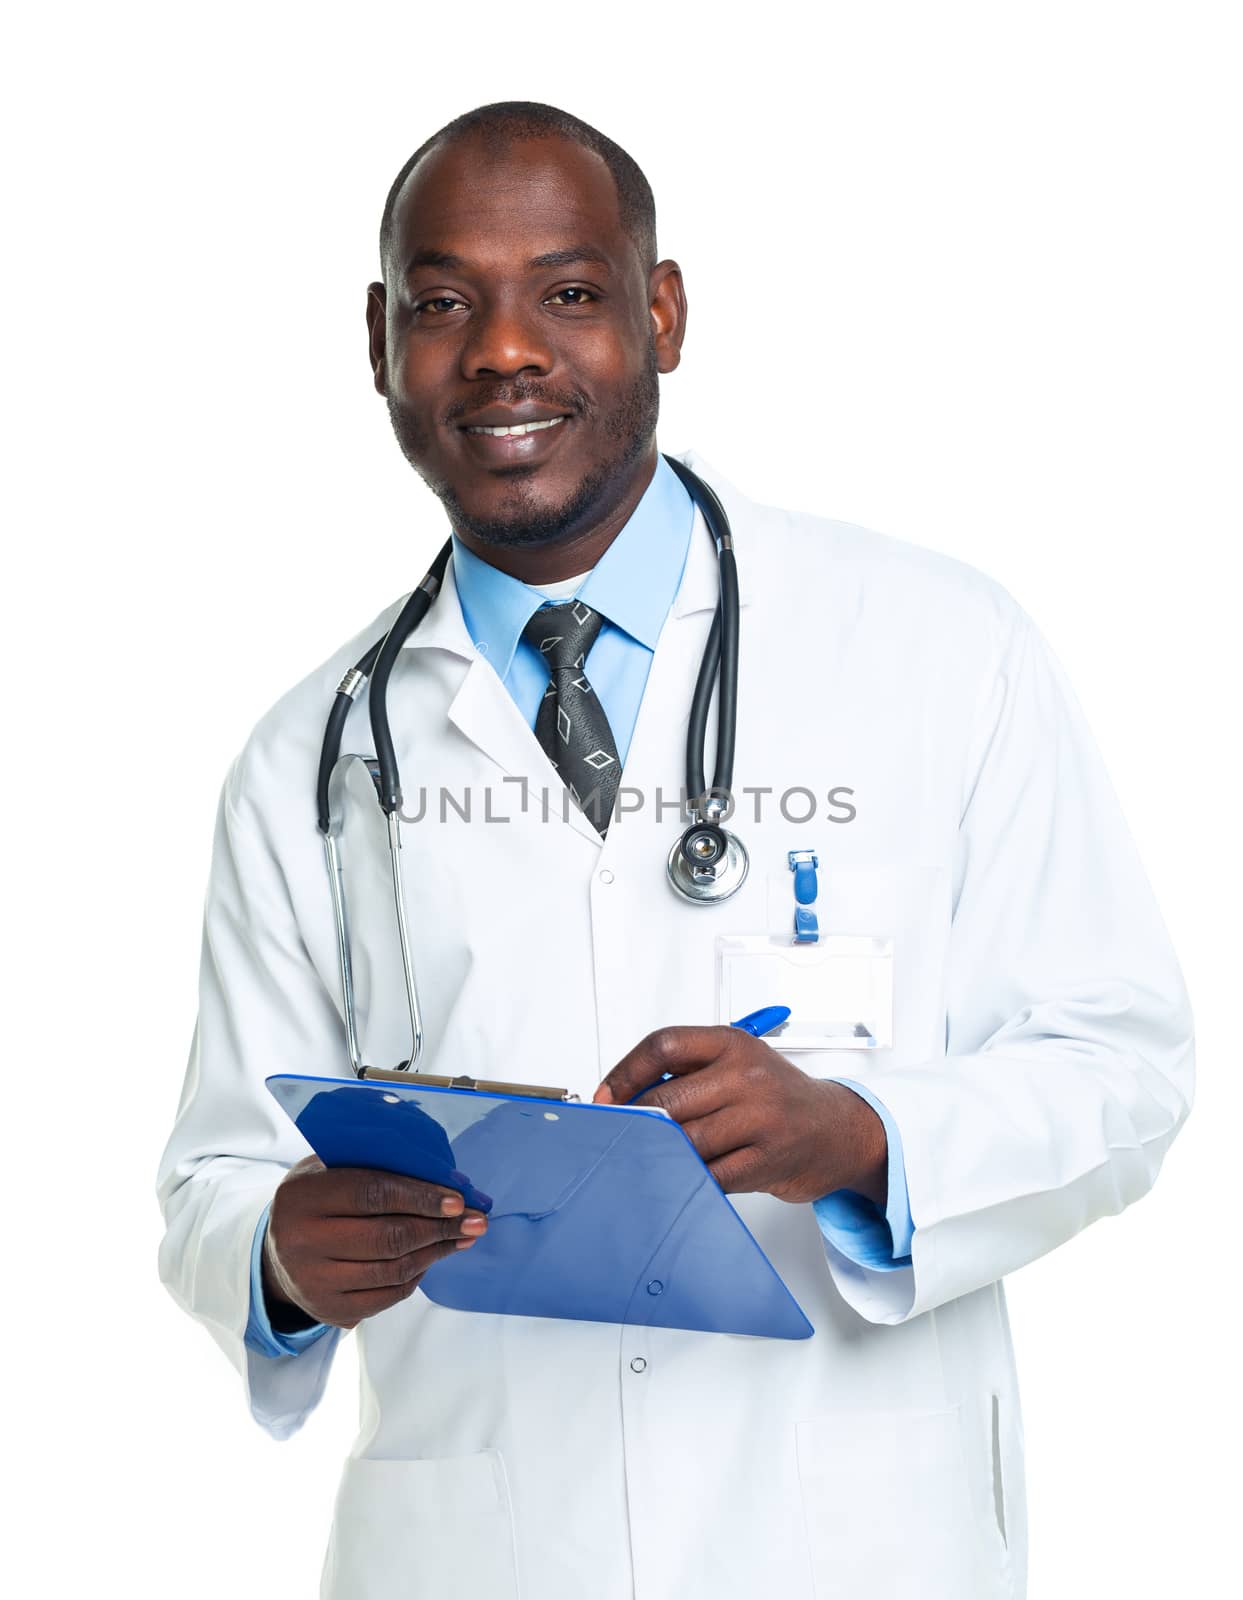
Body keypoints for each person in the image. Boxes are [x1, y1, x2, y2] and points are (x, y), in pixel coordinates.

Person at [156, 101, 1194, 1600]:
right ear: (381, 340)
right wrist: (279, 1258)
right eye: (444, 304)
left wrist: (863, 1139)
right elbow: (210, 1185)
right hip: (485, 1549)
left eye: (568, 294)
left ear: (663, 312)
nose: (504, 350)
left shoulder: (937, 648)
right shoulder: (308, 756)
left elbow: (1125, 1063)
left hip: (853, 1538)